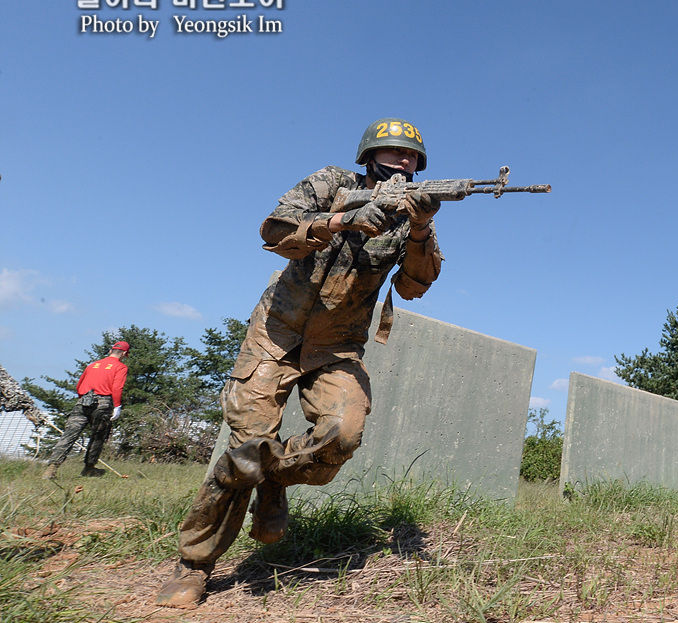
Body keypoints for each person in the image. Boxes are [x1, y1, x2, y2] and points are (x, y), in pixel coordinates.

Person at [156, 117, 443, 608]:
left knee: (343, 433)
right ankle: (195, 565)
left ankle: (274, 480)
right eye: (394, 151)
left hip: (339, 346)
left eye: (412, 156)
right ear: (369, 154)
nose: (404, 161)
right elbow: (275, 230)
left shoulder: (415, 221)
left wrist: (418, 229)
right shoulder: (331, 182)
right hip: (276, 333)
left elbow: (415, 285)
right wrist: (339, 221)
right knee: (247, 448)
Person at [42, 341, 129, 479]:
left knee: (69, 435)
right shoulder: (120, 367)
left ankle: (52, 468)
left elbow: (79, 386)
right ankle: (89, 468)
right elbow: (117, 388)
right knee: (97, 436)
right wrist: (117, 406)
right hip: (102, 403)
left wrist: (84, 398)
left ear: (110, 351)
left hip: (82, 401)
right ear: (124, 354)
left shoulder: (92, 365)